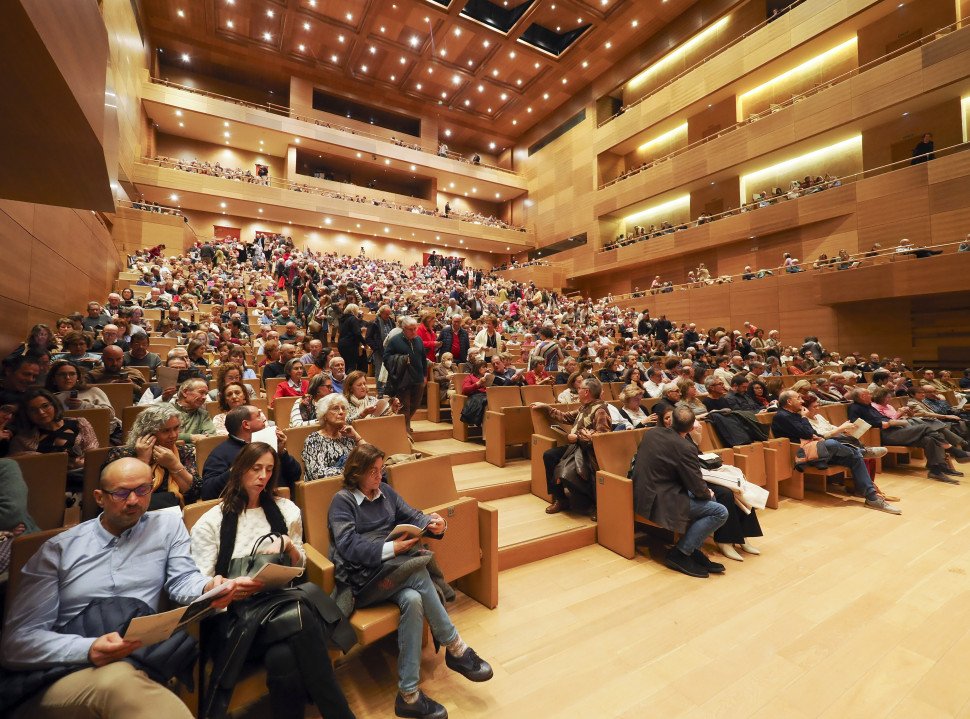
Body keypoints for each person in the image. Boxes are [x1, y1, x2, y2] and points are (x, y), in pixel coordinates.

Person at [0, 457, 251, 718]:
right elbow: (18, 642)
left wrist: (209, 587)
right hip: (67, 669)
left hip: (137, 658)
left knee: (125, 680)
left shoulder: (166, 526)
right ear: (99, 497)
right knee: (119, 683)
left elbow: (182, 580)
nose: (133, 501)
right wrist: (88, 649)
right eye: (121, 493)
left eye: (142, 490)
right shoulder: (59, 550)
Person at [190, 443, 355, 719]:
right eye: (256, 469)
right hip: (234, 621)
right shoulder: (211, 522)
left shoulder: (286, 509)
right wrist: (223, 586)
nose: (263, 476)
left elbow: (299, 567)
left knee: (284, 657)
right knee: (303, 615)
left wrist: (288, 544)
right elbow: (200, 589)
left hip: (278, 606)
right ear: (239, 469)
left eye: (269, 470)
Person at [327, 444, 492, 719]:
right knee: (416, 569)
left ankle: (409, 695)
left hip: (391, 574)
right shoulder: (342, 501)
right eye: (373, 472)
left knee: (414, 599)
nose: (380, 477)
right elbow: (347, 547)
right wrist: (393, 549)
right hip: (364, 582)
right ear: (356, 472)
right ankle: (455, 647)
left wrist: (435, 524)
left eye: (381, 470)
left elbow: (413, 514)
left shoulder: (385, 493)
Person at [631, 406, 728, 578]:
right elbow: (696, 485)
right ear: (692, 428)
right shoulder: (685, 447)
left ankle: (692, 549)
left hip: (644, 492)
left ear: (670, 421)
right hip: (660, 500)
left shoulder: (651, 433)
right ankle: (680, 553)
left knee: (710, 503)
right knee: (720, 511)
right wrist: (707, 493)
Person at [772, 390, 900, 512]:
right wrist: (805, 418)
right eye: (798, 398)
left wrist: (810, 430)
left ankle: (872, 498)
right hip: (801, 455)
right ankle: (860, 451)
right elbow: (806, 432)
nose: (801, 401)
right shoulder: (782, 417)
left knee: (854, 459)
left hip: (817, 450)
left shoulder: (795, 414)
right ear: (789, 402)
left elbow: (814, 433)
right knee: (833, 443)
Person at [531, 376, 612, 518]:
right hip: (576, 447)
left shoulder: (600, 410)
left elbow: (603, 437)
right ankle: (561, 499)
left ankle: (597, 506)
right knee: (549, 455)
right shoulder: (585, 407)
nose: (577, 391)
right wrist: (546, 407)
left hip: (590, 452)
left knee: (586, 471)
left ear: (586, 392)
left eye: (580, 389)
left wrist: (578, 437)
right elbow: (566, 417)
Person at [847, 387, 963, 482]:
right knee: (926, 427)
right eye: (869, 394)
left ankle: (937, 469)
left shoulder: (869, 406)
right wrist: (881, 423)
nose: (871, 396)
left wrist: (895, 419)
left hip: (894, 429)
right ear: (862, 396)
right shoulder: (854, 407)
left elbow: (884, 417)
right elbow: (856, 423)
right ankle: (954, 450)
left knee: (929, 439)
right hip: (883, 435)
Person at [104, 403, 202, 508]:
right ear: (148, 434)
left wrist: (174, 465)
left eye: (176, 428)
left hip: (177, 513)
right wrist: (143, 460)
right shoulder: (122, 455)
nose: (174, 435)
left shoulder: (184, 452)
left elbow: (195, 493)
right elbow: (120, 495)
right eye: (166, 431)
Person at [202, 405, 301, 500]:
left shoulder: (269, 443)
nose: (264, 419)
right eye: (258, 416)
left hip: (278, 501)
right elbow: (208, 492)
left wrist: (282, 453)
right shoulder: (221, 452)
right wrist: (237, 469)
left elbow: (295, 475)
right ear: (246, 424)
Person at [9, 388, 98, 488]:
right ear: (27, 414)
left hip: (85, 478)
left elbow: (93, 455)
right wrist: (56, 463)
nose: (41, 412)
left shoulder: (80, 424)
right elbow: (18, 467)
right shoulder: (22, 439)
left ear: (54, 405)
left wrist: (80, 463)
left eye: (45, 406)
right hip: (47, 485)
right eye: (33, 410)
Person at [46, 359, 121, 442]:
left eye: (72, 374)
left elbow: (110, 414)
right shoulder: (49, 399)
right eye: (62, 374)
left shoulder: (93, 391)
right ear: (54, 379)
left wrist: (84, 406)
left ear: (77, 378)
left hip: (105, 433)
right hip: (68, 437)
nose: (67, 378)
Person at [302, 394, 365, 479]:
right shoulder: (314, 440)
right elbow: (317, 474)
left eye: (343, 408)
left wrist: (357, 438)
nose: (341, 412)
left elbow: (372, 458)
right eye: (335, 408)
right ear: (324, 415)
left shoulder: (348, 436)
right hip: (328, 488)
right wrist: (354, 470)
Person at [384, 317, 428, 436]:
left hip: (418, 378)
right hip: (402, 378)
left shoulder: (418, 340)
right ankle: (405, 430)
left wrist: (425, 375)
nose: (414, 332)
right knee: (405, 406)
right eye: (411, 329)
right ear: (404, 329)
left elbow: (423, 359)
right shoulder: (394, 340)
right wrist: (400, 361)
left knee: (415, 404)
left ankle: (405, 424)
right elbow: (386, 358)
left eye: (415, 329)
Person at [337, 304, 368, 373]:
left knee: (346, 365)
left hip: (341, 344)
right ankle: (350, 383)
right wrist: (364, 343)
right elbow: (357, 333)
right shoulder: (353, 318)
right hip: (350, 345)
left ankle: (345, 382)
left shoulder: (343, 319)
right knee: (352, 366)